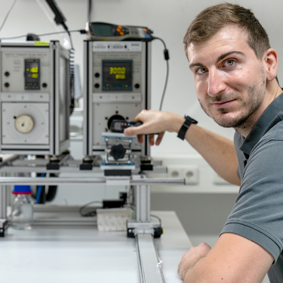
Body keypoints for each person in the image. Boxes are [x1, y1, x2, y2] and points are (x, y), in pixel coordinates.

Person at [124, 3, 283, 283]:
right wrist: (177, 124)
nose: (214, 88)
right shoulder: (258, 127)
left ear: (268, 63)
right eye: (200, 70)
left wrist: (193, 266)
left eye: (229, 62)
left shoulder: (277, 147)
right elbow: (239, 167)